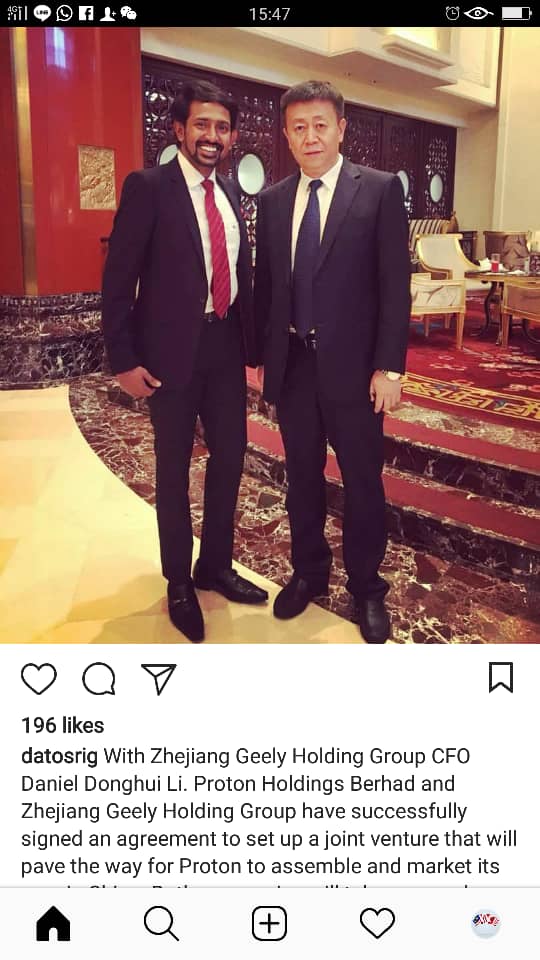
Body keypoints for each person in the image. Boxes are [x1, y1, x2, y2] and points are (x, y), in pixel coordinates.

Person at [102, 80, 268, 643]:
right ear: (179, 130)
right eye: (202, 125)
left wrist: (254, 351)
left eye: (222, 127)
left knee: (230, 457)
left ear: (233, 137)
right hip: (168, 355)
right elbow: (118, 279)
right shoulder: (149, 187)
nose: (212, 136)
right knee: (172, 468)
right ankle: (178, 580)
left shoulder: (231, 196)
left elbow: (240, 278)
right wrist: (123, 359)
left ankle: (214, 565)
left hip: (224, 349)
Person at [254, 80, 410, 642]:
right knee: (301, 479)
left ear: (341, 128)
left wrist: (390, 368)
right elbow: (267, 286)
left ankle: (367, 588)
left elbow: (395, 285)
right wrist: (262, 357)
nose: (310, 136)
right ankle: (309, 573)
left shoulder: (380, 190)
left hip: (357, 372)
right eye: (299, 127)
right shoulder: (273, 200)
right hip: (295, 367)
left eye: (320, 125)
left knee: (363, 483)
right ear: (286, 134)